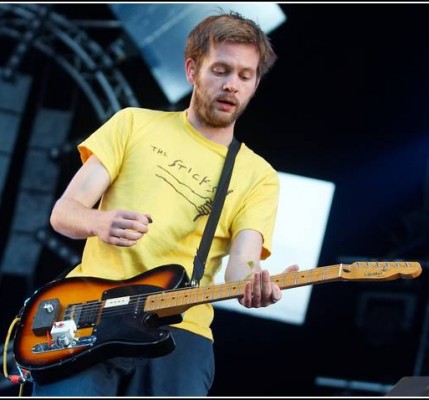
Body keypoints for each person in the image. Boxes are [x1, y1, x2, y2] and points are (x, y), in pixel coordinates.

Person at [30, 10, 298, 397]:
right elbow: (64, 213)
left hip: (180, 329)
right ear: (192, 70)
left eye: (245, 76)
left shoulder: (257, 174)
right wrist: (100, 223)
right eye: (220, 70)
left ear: (256, 84)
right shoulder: (133, 123)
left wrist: (258, 284)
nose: (231, 86)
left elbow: (242, 265)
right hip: (89, 311)